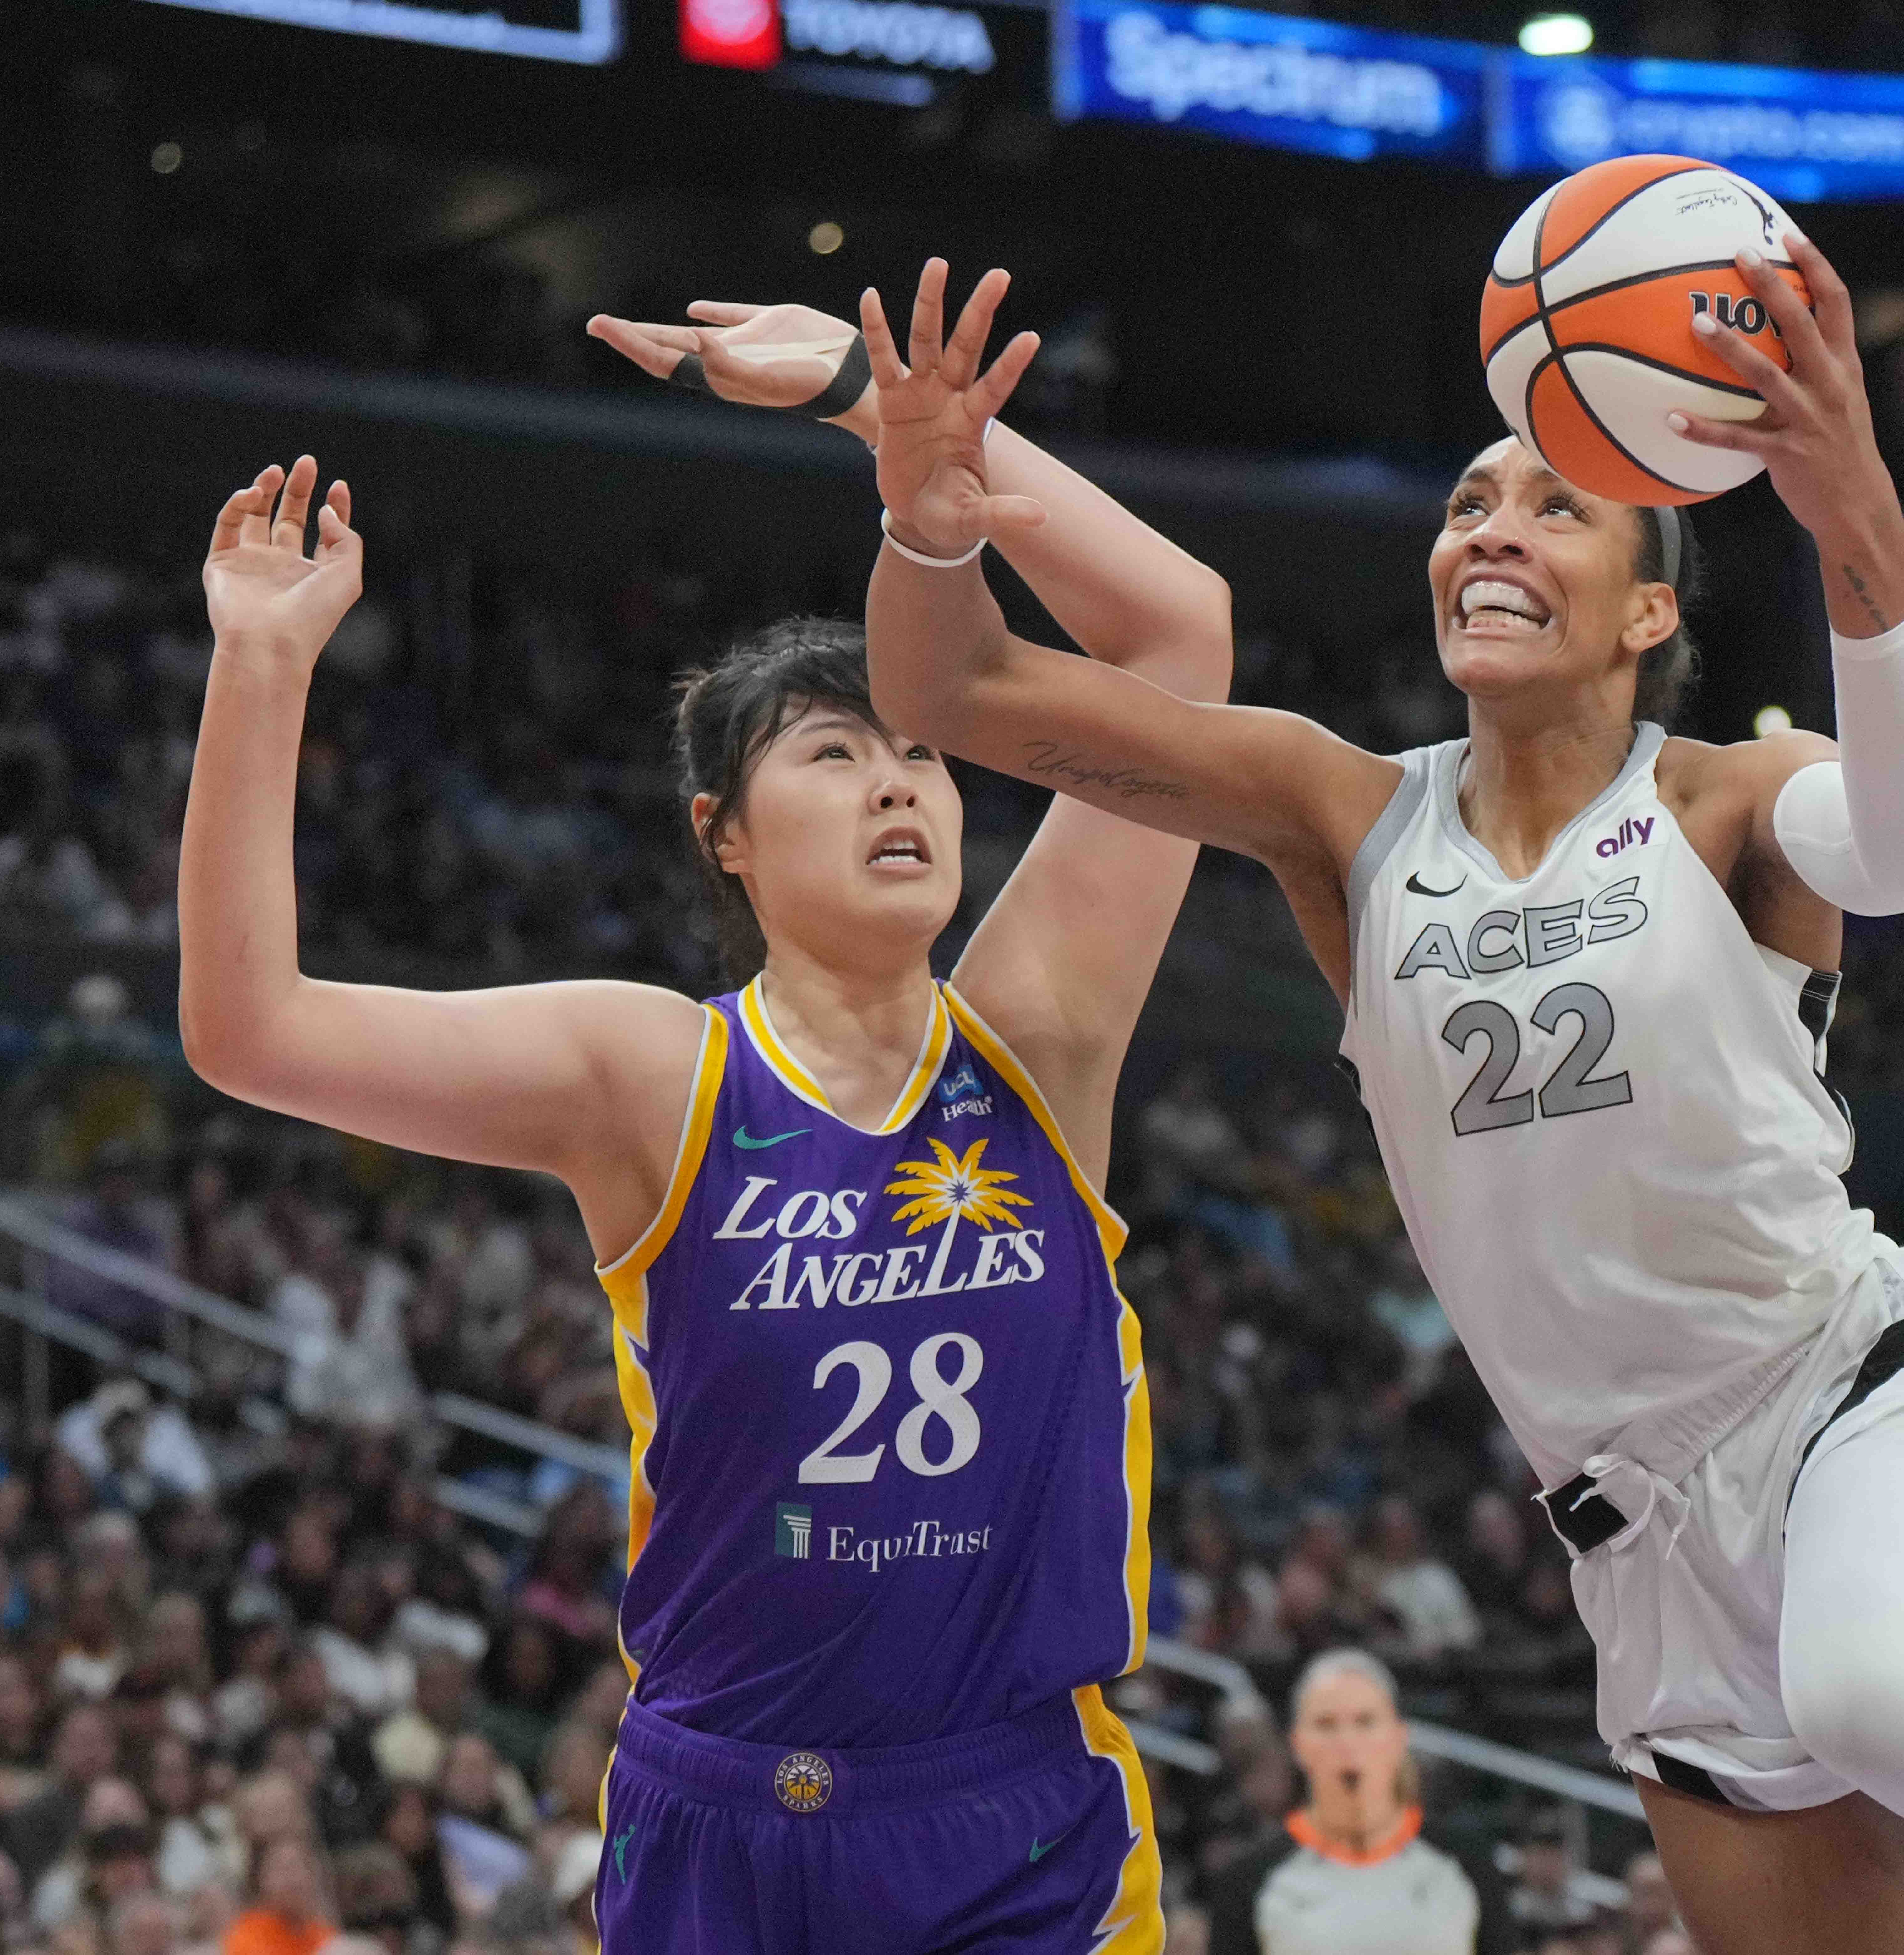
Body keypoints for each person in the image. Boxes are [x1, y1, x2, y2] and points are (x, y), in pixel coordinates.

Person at [854, 241, 1904, 1955]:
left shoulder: (1734, 796)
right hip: (1641, 1540)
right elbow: (951, 690)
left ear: (1648, 608)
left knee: (1880, 1680)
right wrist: (925, 504)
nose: (1491, 527)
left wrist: (1853, 514)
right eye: (1467, 500)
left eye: (1554, 506)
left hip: (1855, 1405)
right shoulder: (1345, 814)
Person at [182, 264, 1232, 1952]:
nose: (897, 774)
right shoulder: (652, 1072)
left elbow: (1178, 637)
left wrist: (876, 415)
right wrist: (260, 668)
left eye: (920, 750)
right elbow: (252, 1028)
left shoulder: (1042, 1027)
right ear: (721, 834)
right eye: (832, 752)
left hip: (1019, 1825)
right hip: (720, 1827)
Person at [1201, 1652, 1513, 1955]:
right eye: (1326, 1724)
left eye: (1365, 1722)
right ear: (1298, 1745)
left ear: (1398, 1738)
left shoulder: (1467, 1865)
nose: (1347, 1743)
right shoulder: (1246, 1882)